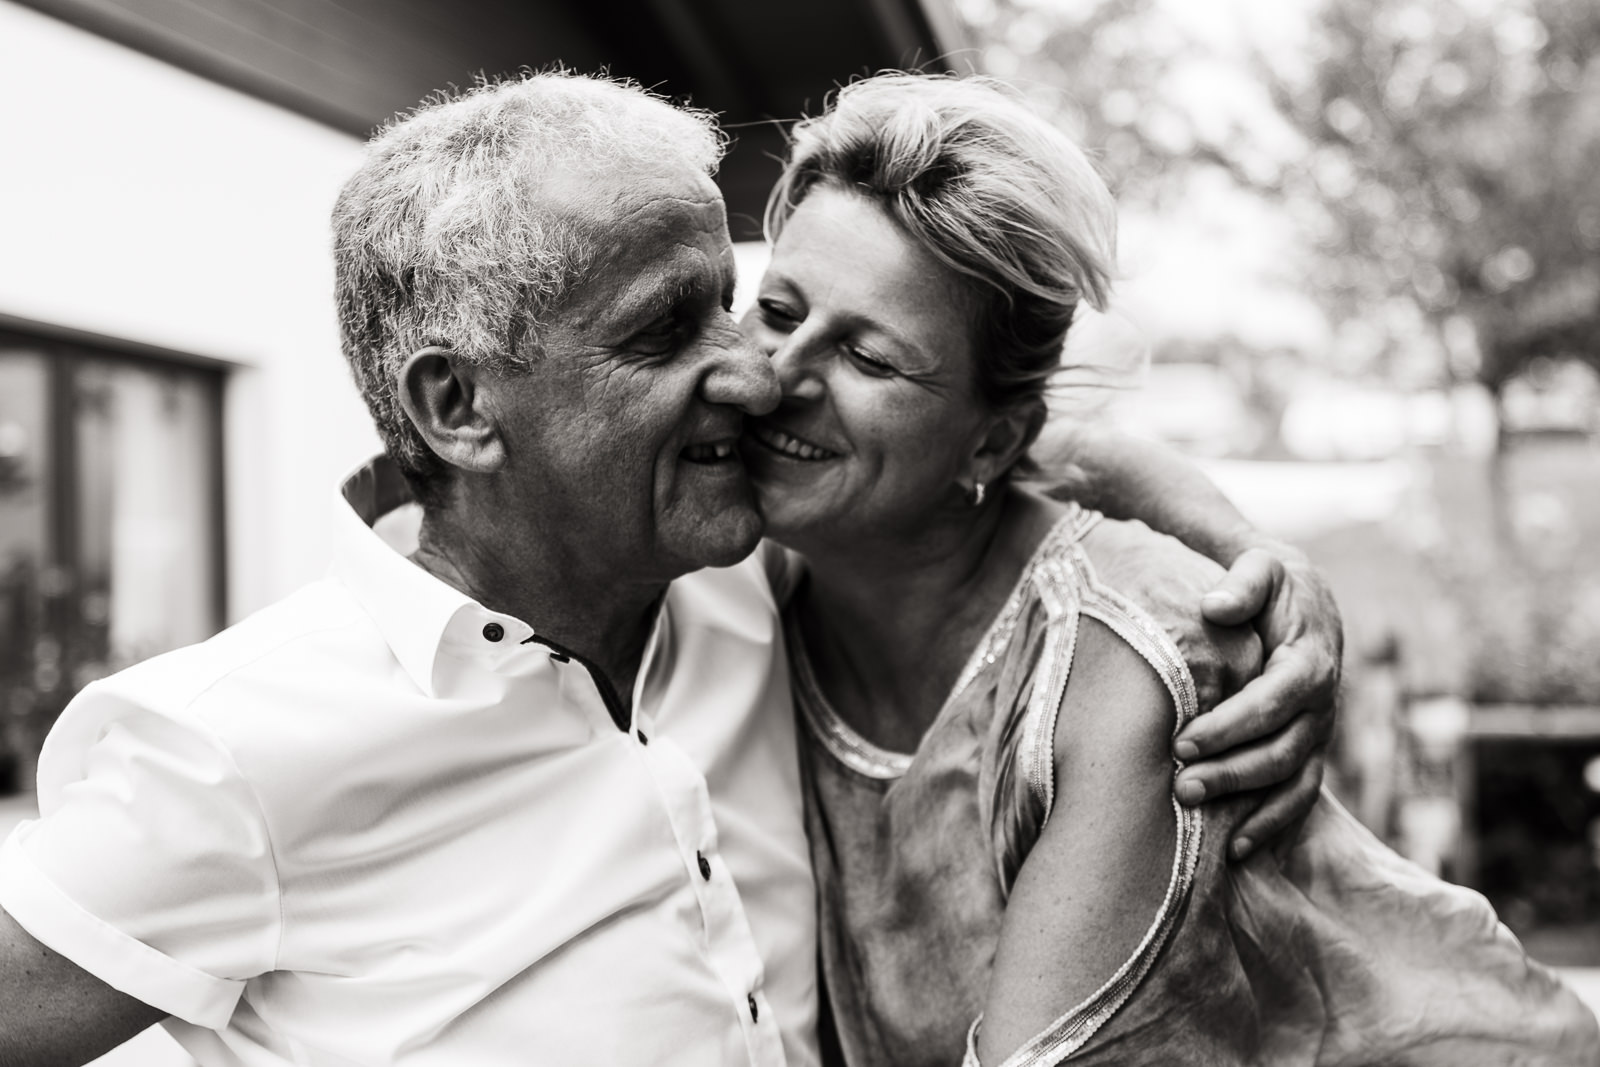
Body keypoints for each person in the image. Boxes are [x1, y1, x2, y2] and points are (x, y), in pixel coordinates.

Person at [0, 73, 1339, 1066]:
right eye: (663, 328)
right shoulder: (239, 746)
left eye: (727, 295)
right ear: (462, 406)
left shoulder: (744, 568)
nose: (756, 369)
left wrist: (1251, 552)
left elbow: (1010, 439)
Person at [741, 70, 1600, 1067]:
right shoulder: (737, 579)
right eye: (775, 308)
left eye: (869, 358)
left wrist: (1250, 554)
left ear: (991, 445)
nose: (778, 373)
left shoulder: (1118, 652)